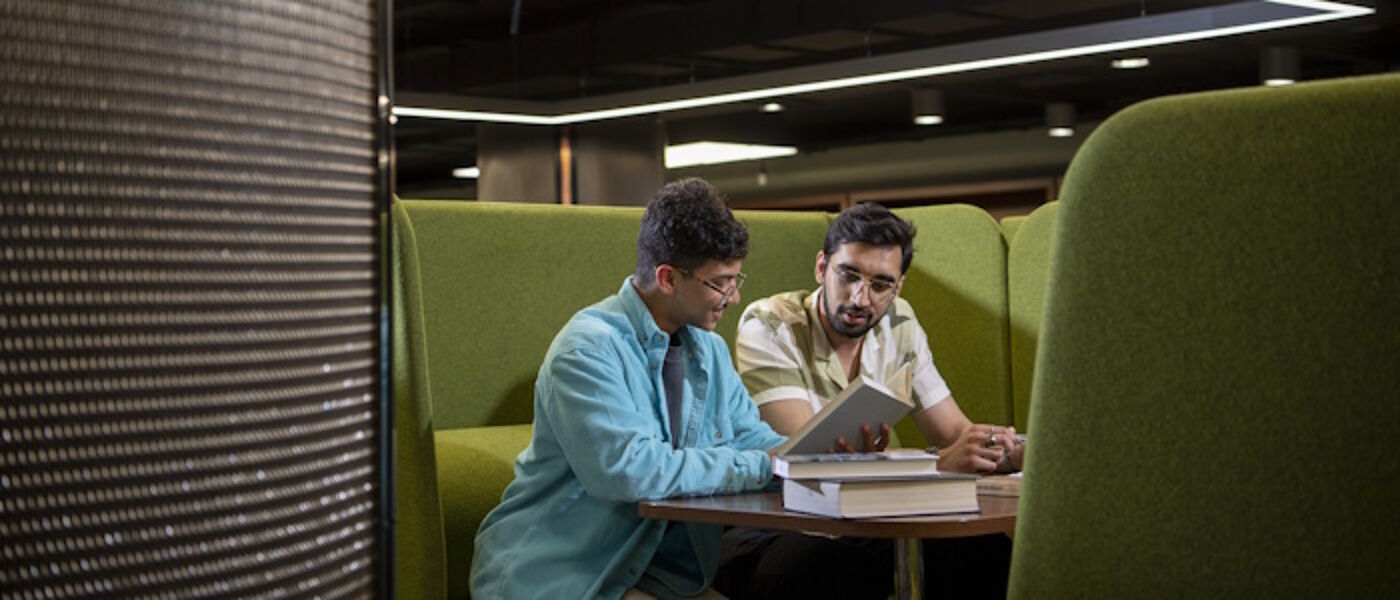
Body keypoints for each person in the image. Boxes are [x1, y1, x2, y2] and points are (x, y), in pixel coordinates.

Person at [471, 178, 786, 600]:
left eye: (735, 279)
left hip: (661, 576)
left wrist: (813, 456)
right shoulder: (587, 348)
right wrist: (761, 467)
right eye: (720, 282)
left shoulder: (708, 350)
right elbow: (630, 470)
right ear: (668, 278)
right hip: (565, 573)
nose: (732, 296)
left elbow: (752, 437)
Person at [714, 202, 1021, 599]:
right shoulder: (770, 323)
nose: (861, 298)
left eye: (880, 285)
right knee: (827, 570)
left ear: (898, 287)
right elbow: (803, 458)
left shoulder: (900, 322)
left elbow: (955, 433)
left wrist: (1005, 451)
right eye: (849, 276)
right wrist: (939, 464)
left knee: (986, 553)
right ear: (822, 268)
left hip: (868, 521)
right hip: (777, 523)